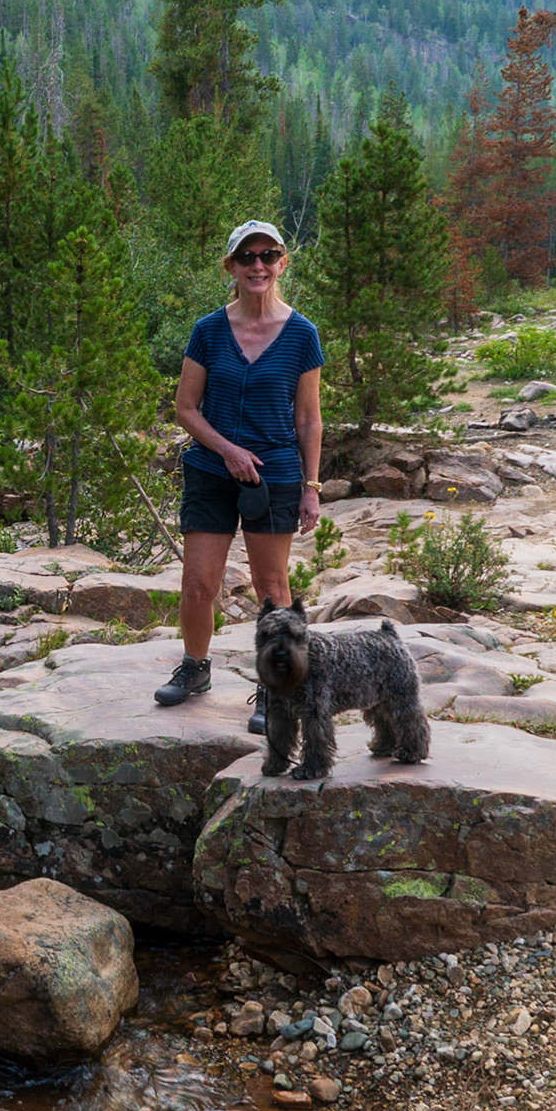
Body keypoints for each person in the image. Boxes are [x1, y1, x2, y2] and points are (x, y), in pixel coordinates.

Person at [154, 220, 323, 734]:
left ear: (282, 263)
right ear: (230, 266)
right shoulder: (208, 330)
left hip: (275, 475)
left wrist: (312, 488)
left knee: (271, 586)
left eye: (268, 255)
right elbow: (185, 409)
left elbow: (309, 419)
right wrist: (227, 450)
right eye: (247, 257)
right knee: (198, 583)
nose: (258, 266)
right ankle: (196, 669)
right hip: (211, 470)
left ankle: (277, 690)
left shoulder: (302, 334)